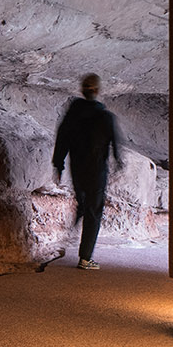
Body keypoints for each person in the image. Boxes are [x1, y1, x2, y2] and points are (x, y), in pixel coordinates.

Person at [52, 73, 125, 270]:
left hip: (78, 170)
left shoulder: (72, 115)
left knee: (83, 201)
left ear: (82, 90)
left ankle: (77, 219)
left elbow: (62, 139)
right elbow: (115, 144)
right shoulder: (105, 117)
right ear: (98, 91)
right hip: (97, 172)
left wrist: (58, 165)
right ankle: (85, 257)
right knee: (94, 211)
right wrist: (119, 161)